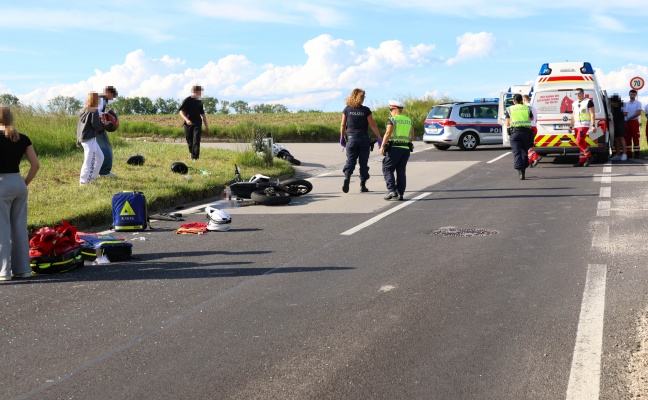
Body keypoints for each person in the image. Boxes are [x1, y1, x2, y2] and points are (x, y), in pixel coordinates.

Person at [0, 106, 40, 281]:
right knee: (19, 228)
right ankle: (23, 269)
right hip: (18, 183)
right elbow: (35, 165)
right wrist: (24, 183)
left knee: (2, 229)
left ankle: (4, 271)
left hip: (1, 183)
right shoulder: (22, 138)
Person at [340, 88, 383, 193]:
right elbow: (373, 125)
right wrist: (379, 138)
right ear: (361, 98)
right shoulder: (366, 110)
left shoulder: (347, 109)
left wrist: (341, 137)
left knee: (350, 160)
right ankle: (362, 185)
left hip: (351, 139)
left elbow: (342, 125)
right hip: (364, 140)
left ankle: (347, 176)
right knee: (363, 163)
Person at [380, 100, 414, 200]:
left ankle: (391, 190)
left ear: (395, 109)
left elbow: (388, 133)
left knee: (387, 168)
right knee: (401, 170)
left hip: (394, 148)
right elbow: (412, 136)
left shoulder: (392, 119)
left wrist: (382, 146)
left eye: (391, 109)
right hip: (405, 149)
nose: (390, 111)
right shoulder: (409, 120)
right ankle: (400, 193)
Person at [77, 92, 105, 185]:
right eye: (99, 100)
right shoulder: (94, 110)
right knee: (89, 160)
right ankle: (84, 182)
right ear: (96, 100)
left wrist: (78, 139)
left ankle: (92, 178)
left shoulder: (84, 110)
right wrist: (104, 124)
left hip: (87, 138)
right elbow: (96, 125)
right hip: (89, 139)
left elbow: (79, 127)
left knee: (100, 157)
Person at [505, 93, 534, 180]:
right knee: (524, 152)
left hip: (515, 133)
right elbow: (532, 118)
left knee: (517, 153)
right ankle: (524, 167)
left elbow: (507, 123)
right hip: (526, 133)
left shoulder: (510, 109)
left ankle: (520, 171)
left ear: (514, 101)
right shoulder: (527, 107)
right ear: (521, 100)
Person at [179, 85, 209, 160]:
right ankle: (191, 153)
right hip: (188, 124)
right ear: (195, 91)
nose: (201, 93)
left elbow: (203, 115)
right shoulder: (187, 100)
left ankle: (195, 158)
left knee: (196, 140)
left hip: (197, 123)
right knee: (189, 141)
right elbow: (181, 111)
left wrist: (206, 125)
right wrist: (186, 120)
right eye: (200, 91)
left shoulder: (199, 102)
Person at [568, 88, 595, 167]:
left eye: (579, 93)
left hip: (584, 125)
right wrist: (570, 126)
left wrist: (593, 125)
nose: (578, 95)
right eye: (576, 94)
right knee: (580, 143)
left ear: (583, 93)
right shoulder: (574, 103)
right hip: (576, 125)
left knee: (579, 141)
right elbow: (573, 115)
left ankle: (589, 156)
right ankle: (581, 160)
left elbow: (592, 114)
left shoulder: (588, 102)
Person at [97, 85, 118, 178]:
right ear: (108, 92)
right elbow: (95, 113)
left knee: (98, 152)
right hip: (97, 128)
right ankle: (105, 172)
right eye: (112, 96)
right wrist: (106, 119)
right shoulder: (101, 99)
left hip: (96, 128)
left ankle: (100, 171)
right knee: (107, 149)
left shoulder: (100, 99)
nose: (112, 98)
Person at [523, 94, 542, 168]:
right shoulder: (534, 107)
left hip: (529, 127)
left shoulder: (526, 107)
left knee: (526, 146)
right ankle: (530, 161)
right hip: (534, 127)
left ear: (524, 100)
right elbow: (535, 119)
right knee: (531, 145)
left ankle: (535, 156)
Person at [622, 89, 642, 158]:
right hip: (627, 122)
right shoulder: (626, 104)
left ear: (636, 95)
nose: (632, 95)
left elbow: (639, 113)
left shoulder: (638, 103)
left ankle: (637, 154)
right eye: (631, 94)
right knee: (627, 138)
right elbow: (624, 113)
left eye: (633, 94)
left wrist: (630, 117)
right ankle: (628, 154)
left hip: (634, 122)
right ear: (629, 94)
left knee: (635, 138)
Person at [609, 94, 627, 161]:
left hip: (620, 122)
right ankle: (618, 154)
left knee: (621, 137)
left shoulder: (621, 104)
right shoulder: (613, 105)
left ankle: (624, 154)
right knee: (616, 138)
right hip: (614, 122)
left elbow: (626, 113)